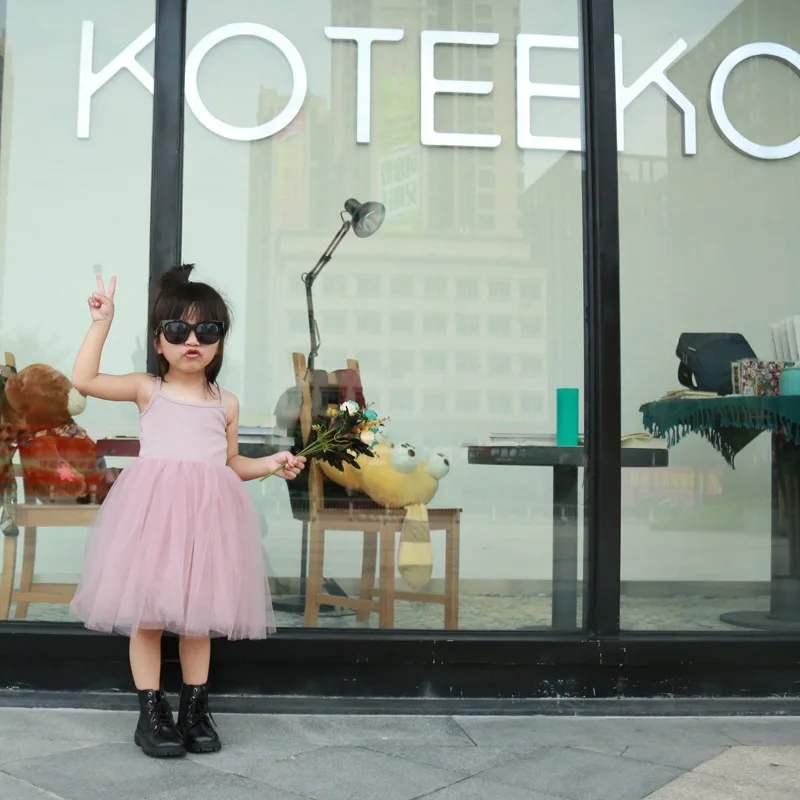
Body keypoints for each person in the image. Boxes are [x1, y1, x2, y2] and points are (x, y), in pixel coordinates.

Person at [70, 264, 306, 759]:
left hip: (206, 522)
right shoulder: (147, 389)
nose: (192, 340)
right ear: (159, 341)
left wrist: (271, 463)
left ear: (220, 342)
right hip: (154, 520)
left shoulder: (226, 402)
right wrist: (102, 323)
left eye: (207, 330)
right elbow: (85, 379)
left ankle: (194, 712)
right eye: (178, 330)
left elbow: (230, 462)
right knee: (148, 618)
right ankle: (151, 715)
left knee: (199, 620)